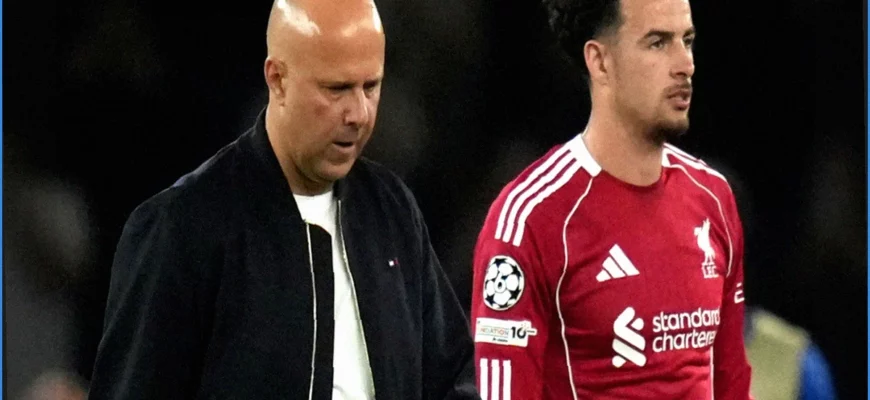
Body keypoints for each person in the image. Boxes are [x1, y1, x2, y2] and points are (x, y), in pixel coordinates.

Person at [87, 0, 478, 398]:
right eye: (337, 89)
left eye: (370, 87)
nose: (359, 113)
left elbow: (455, 377)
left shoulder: (391, 211)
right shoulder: (184, 226)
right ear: (277, 79)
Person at [470, 0, 753, 398]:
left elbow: (732, 384)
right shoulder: (532, 218)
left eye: (687, 41)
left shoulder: (714, 199)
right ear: (600, 62)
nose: (685, 64)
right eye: (657, 43)